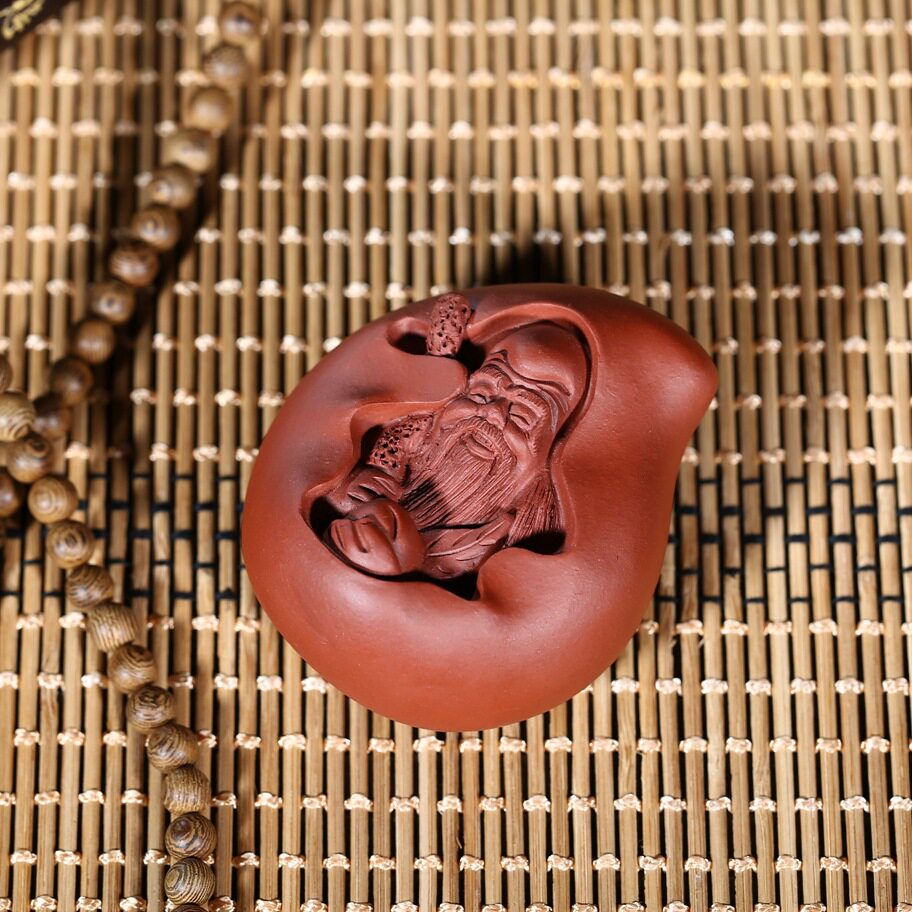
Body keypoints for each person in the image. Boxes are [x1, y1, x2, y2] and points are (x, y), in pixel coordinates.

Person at [320, 321, 589, 580]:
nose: (492, 413)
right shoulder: (395, 448)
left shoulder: (535, 529)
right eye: (481, 394)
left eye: (521, 416)